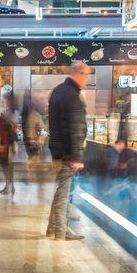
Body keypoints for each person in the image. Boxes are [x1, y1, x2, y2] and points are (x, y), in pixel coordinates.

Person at [46, 61, 91, 240]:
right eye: (85, 74)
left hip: (58, 150)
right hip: (67, 153)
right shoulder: (72, 95)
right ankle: (60, 232)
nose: (86, 79)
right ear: (77, 73)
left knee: (61, 191)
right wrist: (75, 156)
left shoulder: (59, 90)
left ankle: (52, 229)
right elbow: (73, 128)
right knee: (64, 194)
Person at [0, 86, 19, 195]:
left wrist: (1, 117)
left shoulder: (12, 111)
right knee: (6, 164)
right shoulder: (10, 110)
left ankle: (9, 186)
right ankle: (9, 186)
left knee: (6, 164)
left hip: (7, 142)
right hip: (6, 141)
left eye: (6, 100)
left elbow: (12, 125)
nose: (5, 102)